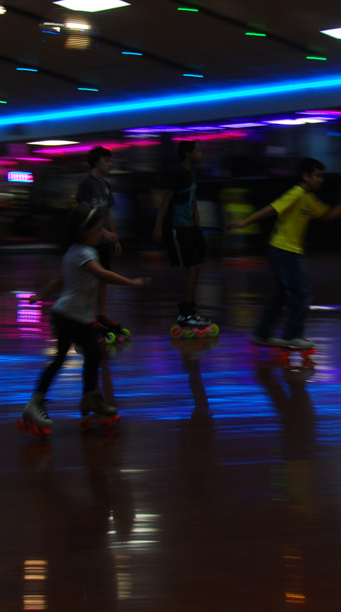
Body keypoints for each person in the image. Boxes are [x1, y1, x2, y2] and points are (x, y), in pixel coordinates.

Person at [22, 207, 151, 434]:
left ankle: (88, 398)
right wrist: (131, 283)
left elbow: (57, 280)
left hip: (70, 315)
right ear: (85, 231)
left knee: (92, 354)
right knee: (68, 357)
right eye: (99, 229)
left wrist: (40, 296)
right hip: (70, 317)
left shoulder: (71, 252)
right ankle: (37, 403)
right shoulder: (86, 254)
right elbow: (102, 274)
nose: (101, 233)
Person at [227, 158, 341, 348]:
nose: (321, 180)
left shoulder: (308, 199)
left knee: (282, 294)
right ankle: (292, 336)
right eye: (318, 176)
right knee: (301, 293)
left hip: (285, 250)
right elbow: (272, 208)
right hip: (283, 250)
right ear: (306, 176)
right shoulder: (296, 194)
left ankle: (262, 333)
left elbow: (328, 215)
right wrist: (245, 222)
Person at [154, 140, 214, 333]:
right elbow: (166, 201)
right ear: (188, 154)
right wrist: (158, 228)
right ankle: (186, 313)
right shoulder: (178, 174)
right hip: (177, 227)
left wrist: (199, 228)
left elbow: (193, 203)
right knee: (192, 266)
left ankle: (189, 311)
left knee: (195, 267)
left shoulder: (190, 175)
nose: (201, 153)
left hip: (190, 227)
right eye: (198, 150)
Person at [74, 146, 128, 338]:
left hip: (104, 240)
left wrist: (114, 236)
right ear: (97, 161)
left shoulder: (105, 185)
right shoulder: (86, 184)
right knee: (91, 278)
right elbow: (84, 212)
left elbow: (108, 211)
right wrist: (103, 232)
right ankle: (88, 315)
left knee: (104, 276)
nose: (110, 164)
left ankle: (100, 314)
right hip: (92, 240)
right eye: (107, 160)